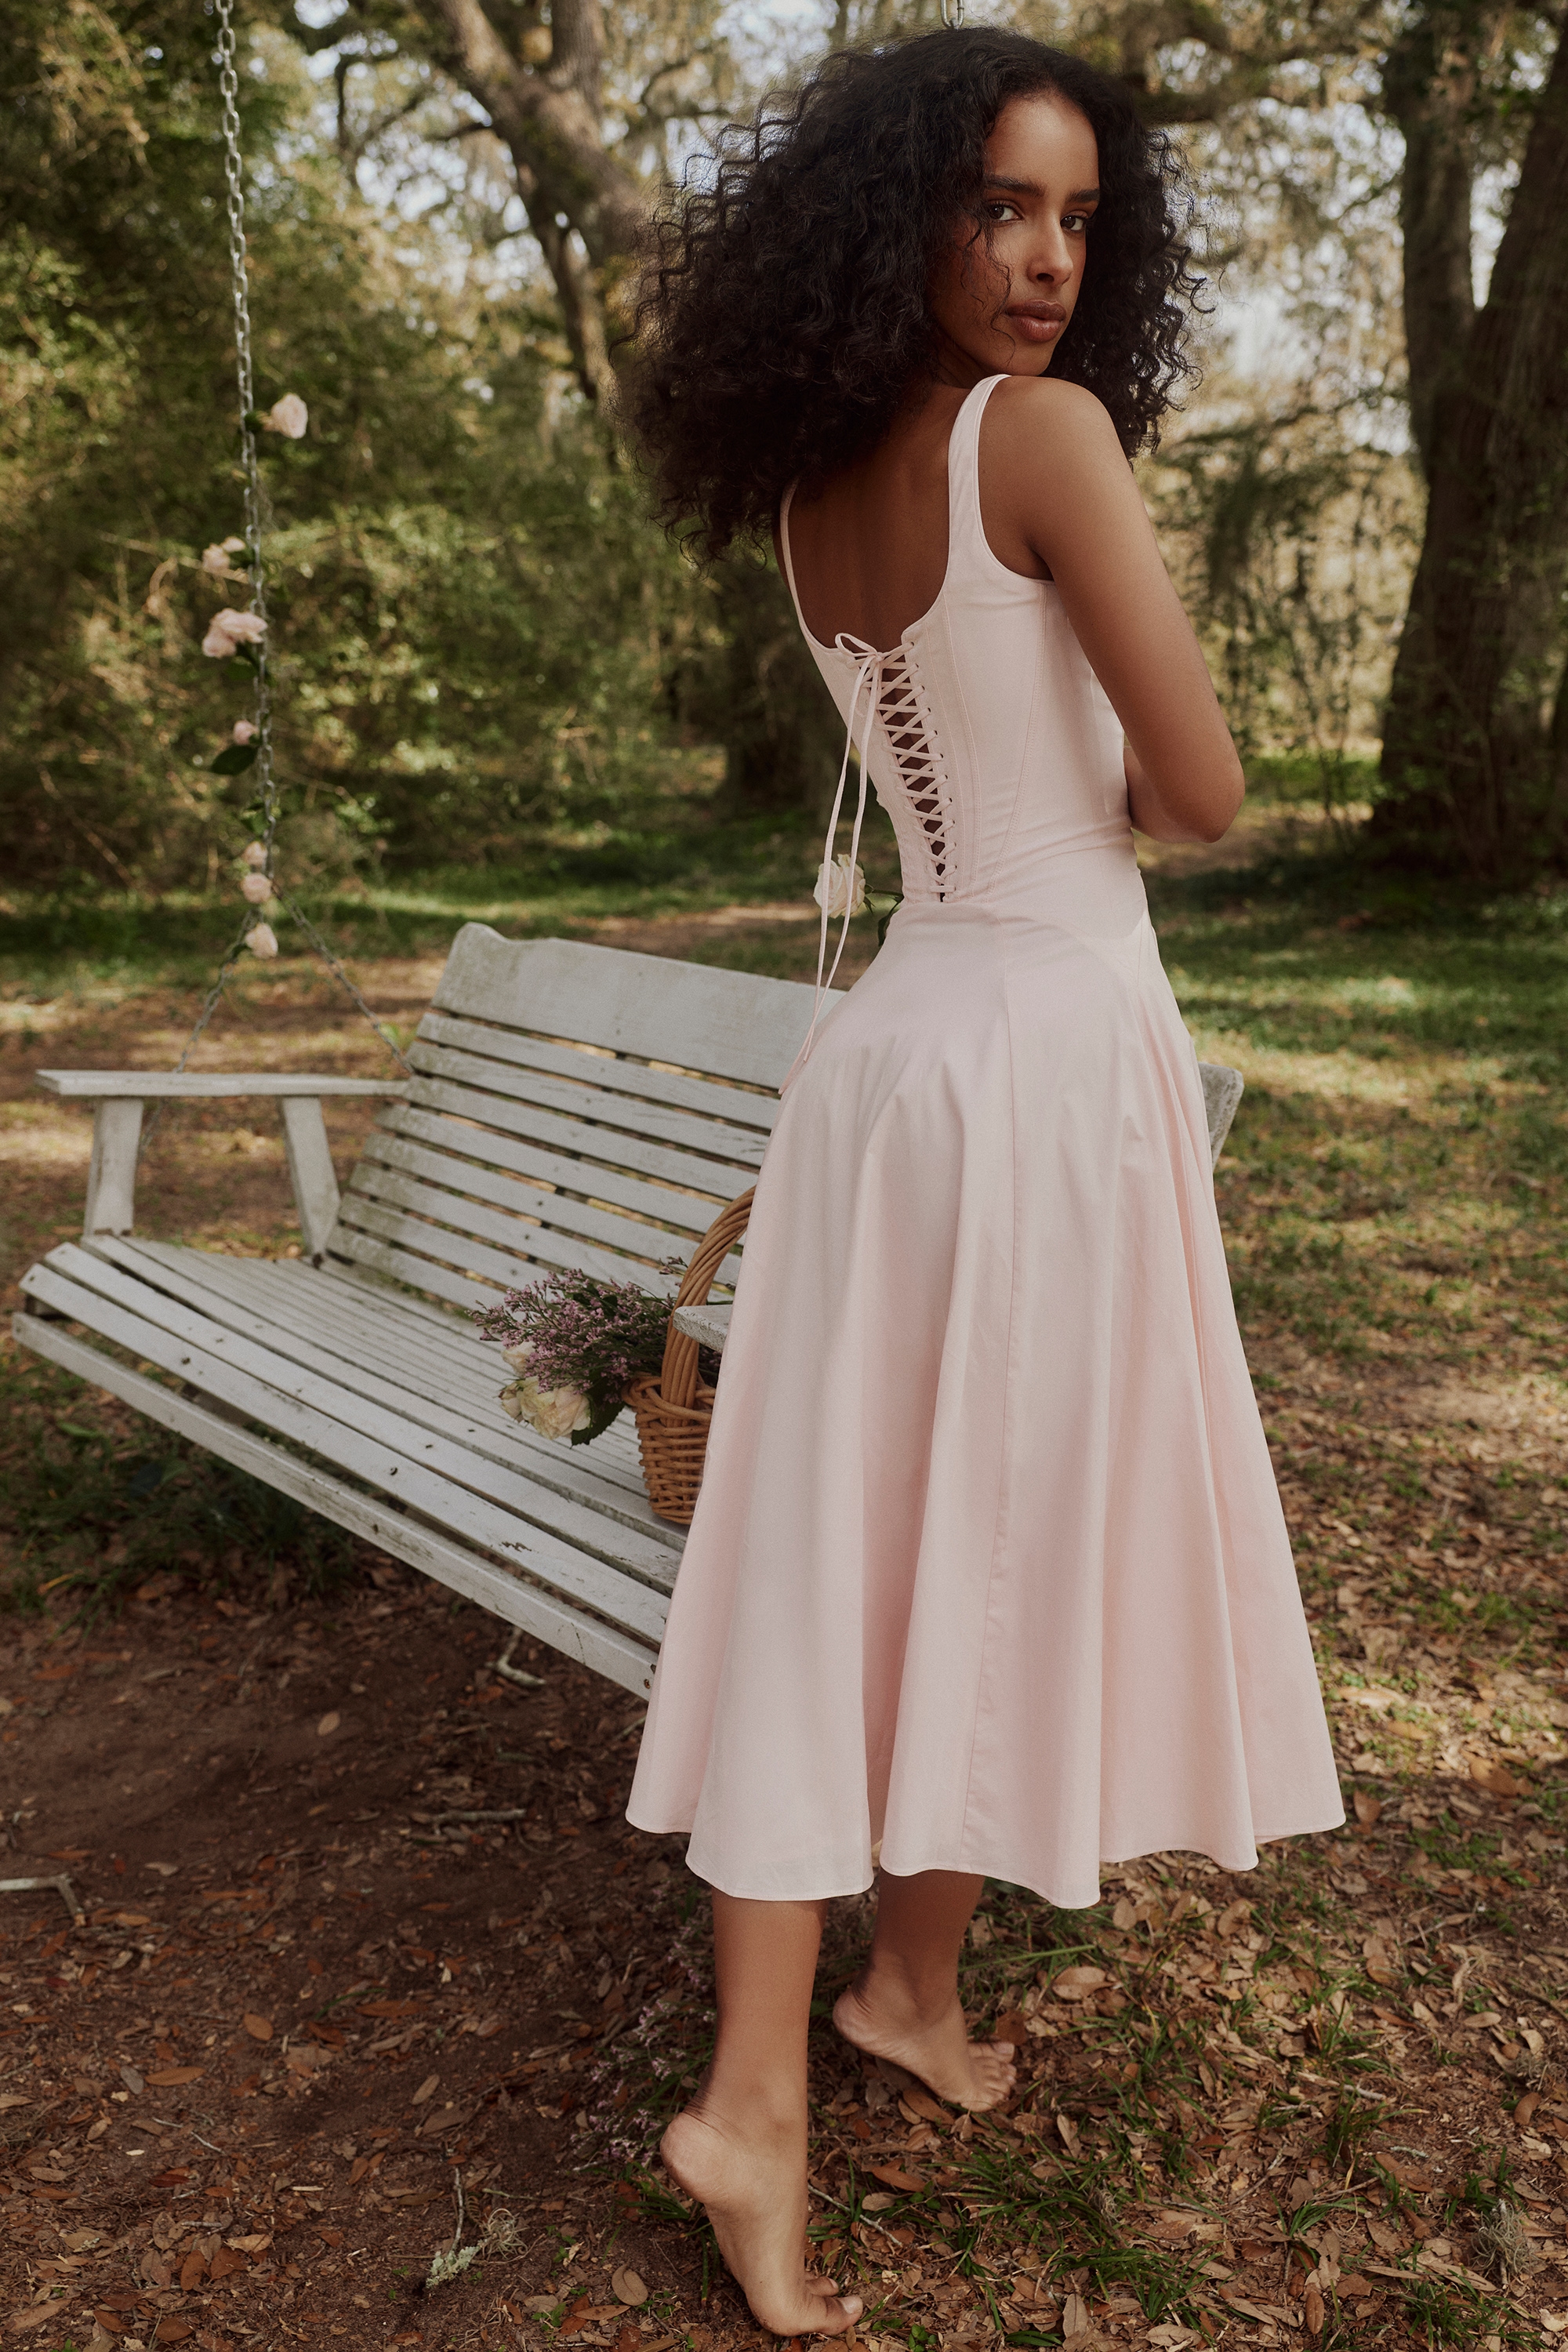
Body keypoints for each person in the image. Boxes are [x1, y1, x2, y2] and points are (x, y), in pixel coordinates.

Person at [623, 27, 1343, 2337]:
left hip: (898, 1055)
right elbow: (1203, 790)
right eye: (1000, 209)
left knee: (879, 1546)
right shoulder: (1042, 439)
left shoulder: (820, 474)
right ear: (906, 218)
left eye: (1075, 220)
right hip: (1036, 1054)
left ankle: (895, 2000)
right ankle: (754, 2104)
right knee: (953, 1538)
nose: (1043, 262)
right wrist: (1138, 739)